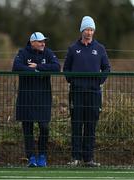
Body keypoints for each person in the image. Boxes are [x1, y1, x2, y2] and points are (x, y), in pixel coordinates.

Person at [63, 16, 110, 167]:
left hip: (94, 93)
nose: (89, 32)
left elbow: (107, 68)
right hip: (76, 93)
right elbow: (66, 69)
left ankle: (88, 159)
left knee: (90, 125)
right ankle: (75, 158)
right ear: (82, 30)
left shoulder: (100, 48)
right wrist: (74, 81)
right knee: (76, 125)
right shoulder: (72, 48)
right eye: (86, 29)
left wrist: (98, 81)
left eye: (91, 30)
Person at [12, 32, 60, 167]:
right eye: (40, 41)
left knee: (44, 127)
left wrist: (38, 67)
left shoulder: (48, 53)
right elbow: (16, 67)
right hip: (26, 97)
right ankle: (31, 157)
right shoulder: (23, 53)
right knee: (28, 128)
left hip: (43, 97)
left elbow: (56, 67)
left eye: (44, 41)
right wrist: (32, 71)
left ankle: (42, 156)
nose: (43, 44)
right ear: (32, 42)